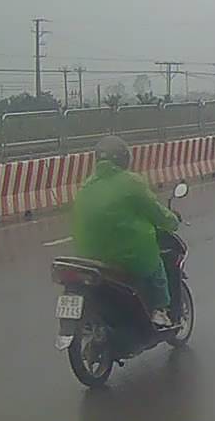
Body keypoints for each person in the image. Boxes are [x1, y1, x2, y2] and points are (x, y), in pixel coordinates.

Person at [71, 136, 180, 328]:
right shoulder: (131, 182)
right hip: (127, 256)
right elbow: (154, 210)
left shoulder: (86, 186)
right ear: (124, 158)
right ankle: (159, 311)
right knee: (157, 268)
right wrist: (172, 221)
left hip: (90, 257)